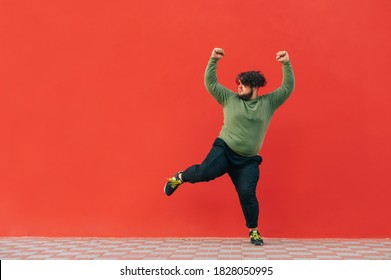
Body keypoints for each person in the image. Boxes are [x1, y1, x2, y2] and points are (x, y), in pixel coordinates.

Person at [164, 48, 295, 246]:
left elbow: (287, 87)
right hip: (224, 149)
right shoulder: (229, 99)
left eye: (242, 85)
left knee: (247, 194)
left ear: (254, 86)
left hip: (248, 160)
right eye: (238, 84)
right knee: (204, 173)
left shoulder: (268, 103)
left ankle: (254, 231)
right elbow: (211, 84)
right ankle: (178, 178)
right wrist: (213, 60)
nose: (238, 88)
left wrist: (286, 63)